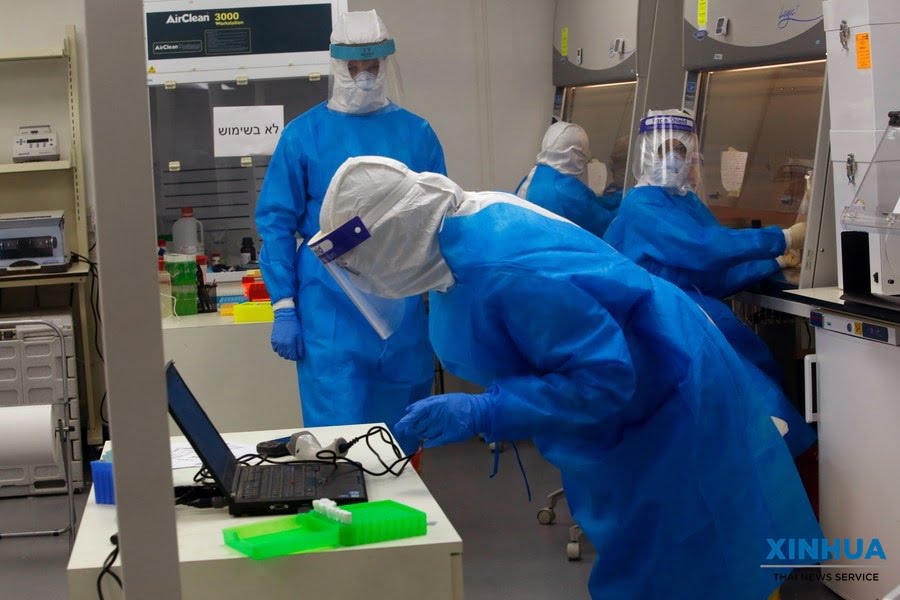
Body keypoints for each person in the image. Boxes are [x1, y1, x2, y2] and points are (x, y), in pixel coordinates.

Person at [308, 155, 821, 600]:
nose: (369, 280)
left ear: (396, 240)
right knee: (652, 564)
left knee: (694, 567)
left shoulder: (503, 269)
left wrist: (485, 409)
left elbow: (603, 380)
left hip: (672, 406)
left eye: (365, 264)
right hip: (630, 410)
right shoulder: (458, 229)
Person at [255, 10, 445, 453]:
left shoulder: (417, 133)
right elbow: (276, 222)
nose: (364, 77)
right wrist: (284, 306)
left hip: (400, 304)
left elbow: (441, 217)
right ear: (337, 66)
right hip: (329, 305)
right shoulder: (303, 136)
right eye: (354, 67)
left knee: (401, 436)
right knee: (335, 436)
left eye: (372, 66)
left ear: (386, 64)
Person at [602, 109, 815, 457]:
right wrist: (783, 238)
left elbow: (712, 273)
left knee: (758, 372)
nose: (680, 162)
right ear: (653, 154)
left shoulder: (682, 201)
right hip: (665, 328)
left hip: (693, 313)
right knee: (753, 401)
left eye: (683, 152)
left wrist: (773, 262)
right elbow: (704, 249)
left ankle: (775, 471)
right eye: (670, 152)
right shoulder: (644, 206)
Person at [516, 121, 621, 237]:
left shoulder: (533, 177)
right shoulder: (566, 190)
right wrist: (629, 202)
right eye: (582, 154)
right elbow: (605, 224)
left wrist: (618, 198)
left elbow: (592, 202)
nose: (585, 160)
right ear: (573, 154)